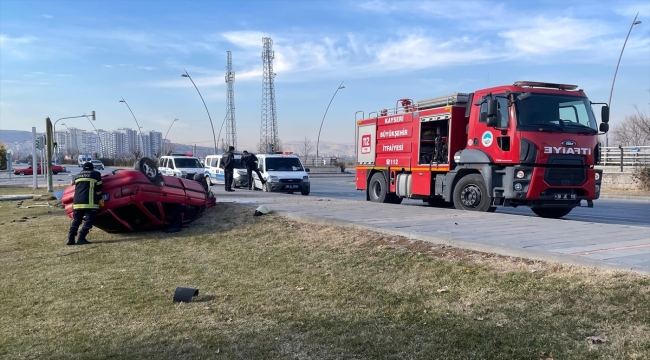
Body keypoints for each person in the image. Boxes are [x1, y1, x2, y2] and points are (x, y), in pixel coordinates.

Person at [67, 161, 103, 245]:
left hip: (77, 202)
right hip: (89, 202)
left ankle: (70, 239)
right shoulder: (95, 174)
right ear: (92, 168)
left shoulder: (77, 176)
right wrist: (99, 199)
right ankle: (81, 238)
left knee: (77, 220)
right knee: (90, 219)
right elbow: (98, 189)